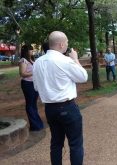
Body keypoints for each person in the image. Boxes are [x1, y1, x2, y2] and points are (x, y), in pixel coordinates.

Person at [33, 31, 88, 165]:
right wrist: (75, 59)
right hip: (67, 107)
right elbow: (83, 77)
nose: (68, 45)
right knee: (75, 144)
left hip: (50, 109)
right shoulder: (65, 60)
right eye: (67, 42)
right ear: (62, 44)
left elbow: (36, 87)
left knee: (56, 143)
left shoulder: (37, 63)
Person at [19, 44, 44, 131]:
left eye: (32, 50)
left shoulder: (31, 60)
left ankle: (37, 124)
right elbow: (22, 74)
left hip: (34, 84)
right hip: (27, 84)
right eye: (31, 50)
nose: (32, 51)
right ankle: (35, 126)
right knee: (30, 105)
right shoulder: (23, 60)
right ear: (26, 51)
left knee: (34, 104)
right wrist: (34, 73)